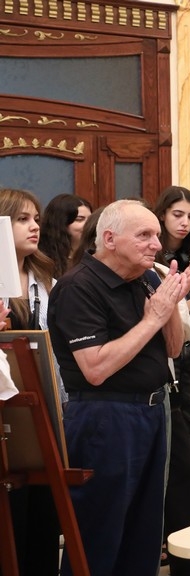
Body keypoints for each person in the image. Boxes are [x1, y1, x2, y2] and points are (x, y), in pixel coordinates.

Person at [49, 199, 190, 576]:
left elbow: (173, 348)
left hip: (153, 410)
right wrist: (152, 319)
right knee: (100, 533)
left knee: (144, 532)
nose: (156, 245)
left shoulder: (148, 279)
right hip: (104, 416)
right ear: (110, 239)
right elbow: (96, 368)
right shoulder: (77, 287)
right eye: (144, 235)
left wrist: (171, 304)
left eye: (156, 236)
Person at [1, 188, 60, 576]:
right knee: (13, 502)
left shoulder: (46, 277)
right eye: (22, 219)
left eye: (36, 218)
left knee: (45, 500)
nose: (34, 226)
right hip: (7, 405)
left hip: (46, 400)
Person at [151, 185, 190, 576]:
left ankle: (186, 547)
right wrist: (183, 300)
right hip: (164, 357)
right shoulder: (152, 261)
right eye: (177, 214)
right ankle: (163, 542)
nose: (185, 222)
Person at [38, 193, 93, 278]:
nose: (88, 225)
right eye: (79, 219)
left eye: (90, 220)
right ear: (61, 222)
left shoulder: (93, 255)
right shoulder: (41, 258)